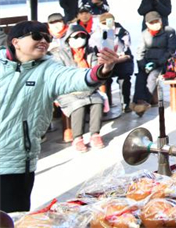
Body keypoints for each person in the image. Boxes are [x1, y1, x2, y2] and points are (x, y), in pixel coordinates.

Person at [0, 21, 121, 212]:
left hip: (15, 161)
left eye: (47, 38)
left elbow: (76, 78)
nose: (44, 41)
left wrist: (103, 69)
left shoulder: (49, 69)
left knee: (11, 218)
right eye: (37, 36)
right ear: (16, 42)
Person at [52, 25, 107, 153]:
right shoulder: (59, 54)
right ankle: (78, 138)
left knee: (97, 100)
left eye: (83, 36)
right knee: (78, 104)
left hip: (88, 88)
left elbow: (96, 72)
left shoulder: (91, 52)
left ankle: (95, 134)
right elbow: (60, 77)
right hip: (68, 91)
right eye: (76, 36)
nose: (80, 39)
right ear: (68, 39)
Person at [132, 12, 176, 116]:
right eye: (152, 23)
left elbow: (171, 51)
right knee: (140, 76)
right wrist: (142, 64)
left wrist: (156, 63)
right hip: (148, 62)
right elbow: (140, 51)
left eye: (157, 21)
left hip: (164, 63)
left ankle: (144, 103)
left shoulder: (169, 31)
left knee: (152, 77)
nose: (155, 24)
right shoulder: (144, 34)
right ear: (147, 24)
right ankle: (137, 102)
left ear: (161, 21)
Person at [90, 13, 134, 113]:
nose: (107, 25)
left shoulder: (122, 32)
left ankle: (126, 103)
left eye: (109, 22)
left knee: (124, 79)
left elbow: (126, 51)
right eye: (103, 23)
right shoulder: (95, 34)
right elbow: (92, 50)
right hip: (104, 62)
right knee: (104, 79)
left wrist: (117, 58)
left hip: (122, 62)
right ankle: (106, 104)